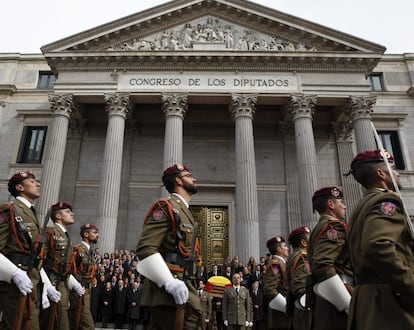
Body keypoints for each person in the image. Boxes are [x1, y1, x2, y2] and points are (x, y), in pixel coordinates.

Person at [347, 149, 414, 329]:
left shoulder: (361, 206)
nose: (398, 173)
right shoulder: (386, 201)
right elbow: (377, 246)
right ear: (381, 174)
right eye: (393, 168)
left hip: (368, 299)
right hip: (389, 302)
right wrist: (409, 285)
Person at [136, 163, 202, 329]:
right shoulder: (167, 207)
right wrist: (168, 282)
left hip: (184, 282)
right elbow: (146, 247)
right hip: (170, 287)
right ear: (178, 181)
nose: (194, 179)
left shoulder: (183, 210)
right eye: (188, 176)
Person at [0, 171, 60, 329]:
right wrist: (13, 273)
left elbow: (34, 257)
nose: (38, 184)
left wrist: (46, 284)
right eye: (32, 181)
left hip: (30, 280)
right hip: (13, 283)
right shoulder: (10, 210)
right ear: (20, 187)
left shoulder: (30, 213)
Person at [308, 186, 352, 330]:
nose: (344, 206)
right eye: (341, 202)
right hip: (336, 300)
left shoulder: (320, 227)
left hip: (329, 299)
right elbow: (323, 265)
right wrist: (348, 304)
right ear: (331, 204)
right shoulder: (332, 227)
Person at [40, 202, 85, 330]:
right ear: (58, 215)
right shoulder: (50, 232)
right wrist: (47, 286)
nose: (72, 214)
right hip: (51, 282)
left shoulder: (66, 236)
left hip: (62, 283)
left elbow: (65, 265)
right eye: (67, 212)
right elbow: (39, 260)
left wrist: (73, 283)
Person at [70, 223, 100, 329]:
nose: (98, 235)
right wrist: (77, 286)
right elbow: (71, 271)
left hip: (86, 290)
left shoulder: (89, 251)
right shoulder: (78, 250)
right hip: (78, 290)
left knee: (77, 324)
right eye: (95, 233)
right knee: (88, 326)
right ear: (86, 234)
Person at [286, 226, 313, 330]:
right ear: (304, 243)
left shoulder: (295, 256)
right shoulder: (303, 258)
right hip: (304, 312)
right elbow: (300, 287)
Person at [263, 236, 290, 330]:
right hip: (280, 312)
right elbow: (270, 288)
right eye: (285, 246)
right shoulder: (276, 263)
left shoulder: (281, 263)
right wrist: (286, 307)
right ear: (279, 249)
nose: (287, 248)